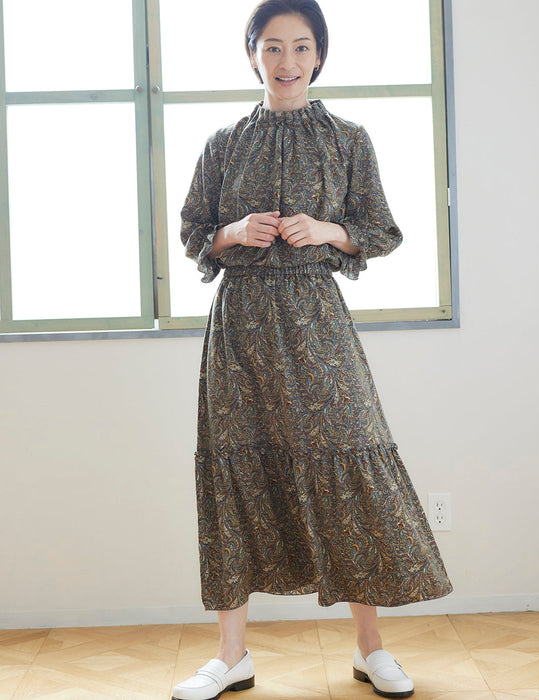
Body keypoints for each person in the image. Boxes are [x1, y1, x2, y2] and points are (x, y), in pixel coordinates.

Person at [172, 1, 452, 698]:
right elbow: (193, 233)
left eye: (300, 47)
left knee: (346, 460)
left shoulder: (348, 139)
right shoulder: (223, 142)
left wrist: (326, 231)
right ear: (252, 55)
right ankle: (231, 654)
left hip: (317, 321)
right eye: (272, 47)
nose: (287, 61)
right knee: (236, 470)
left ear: (318, 56)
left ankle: (370, 647)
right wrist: (233, 231)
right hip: (240, 326)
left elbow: (379, 230)